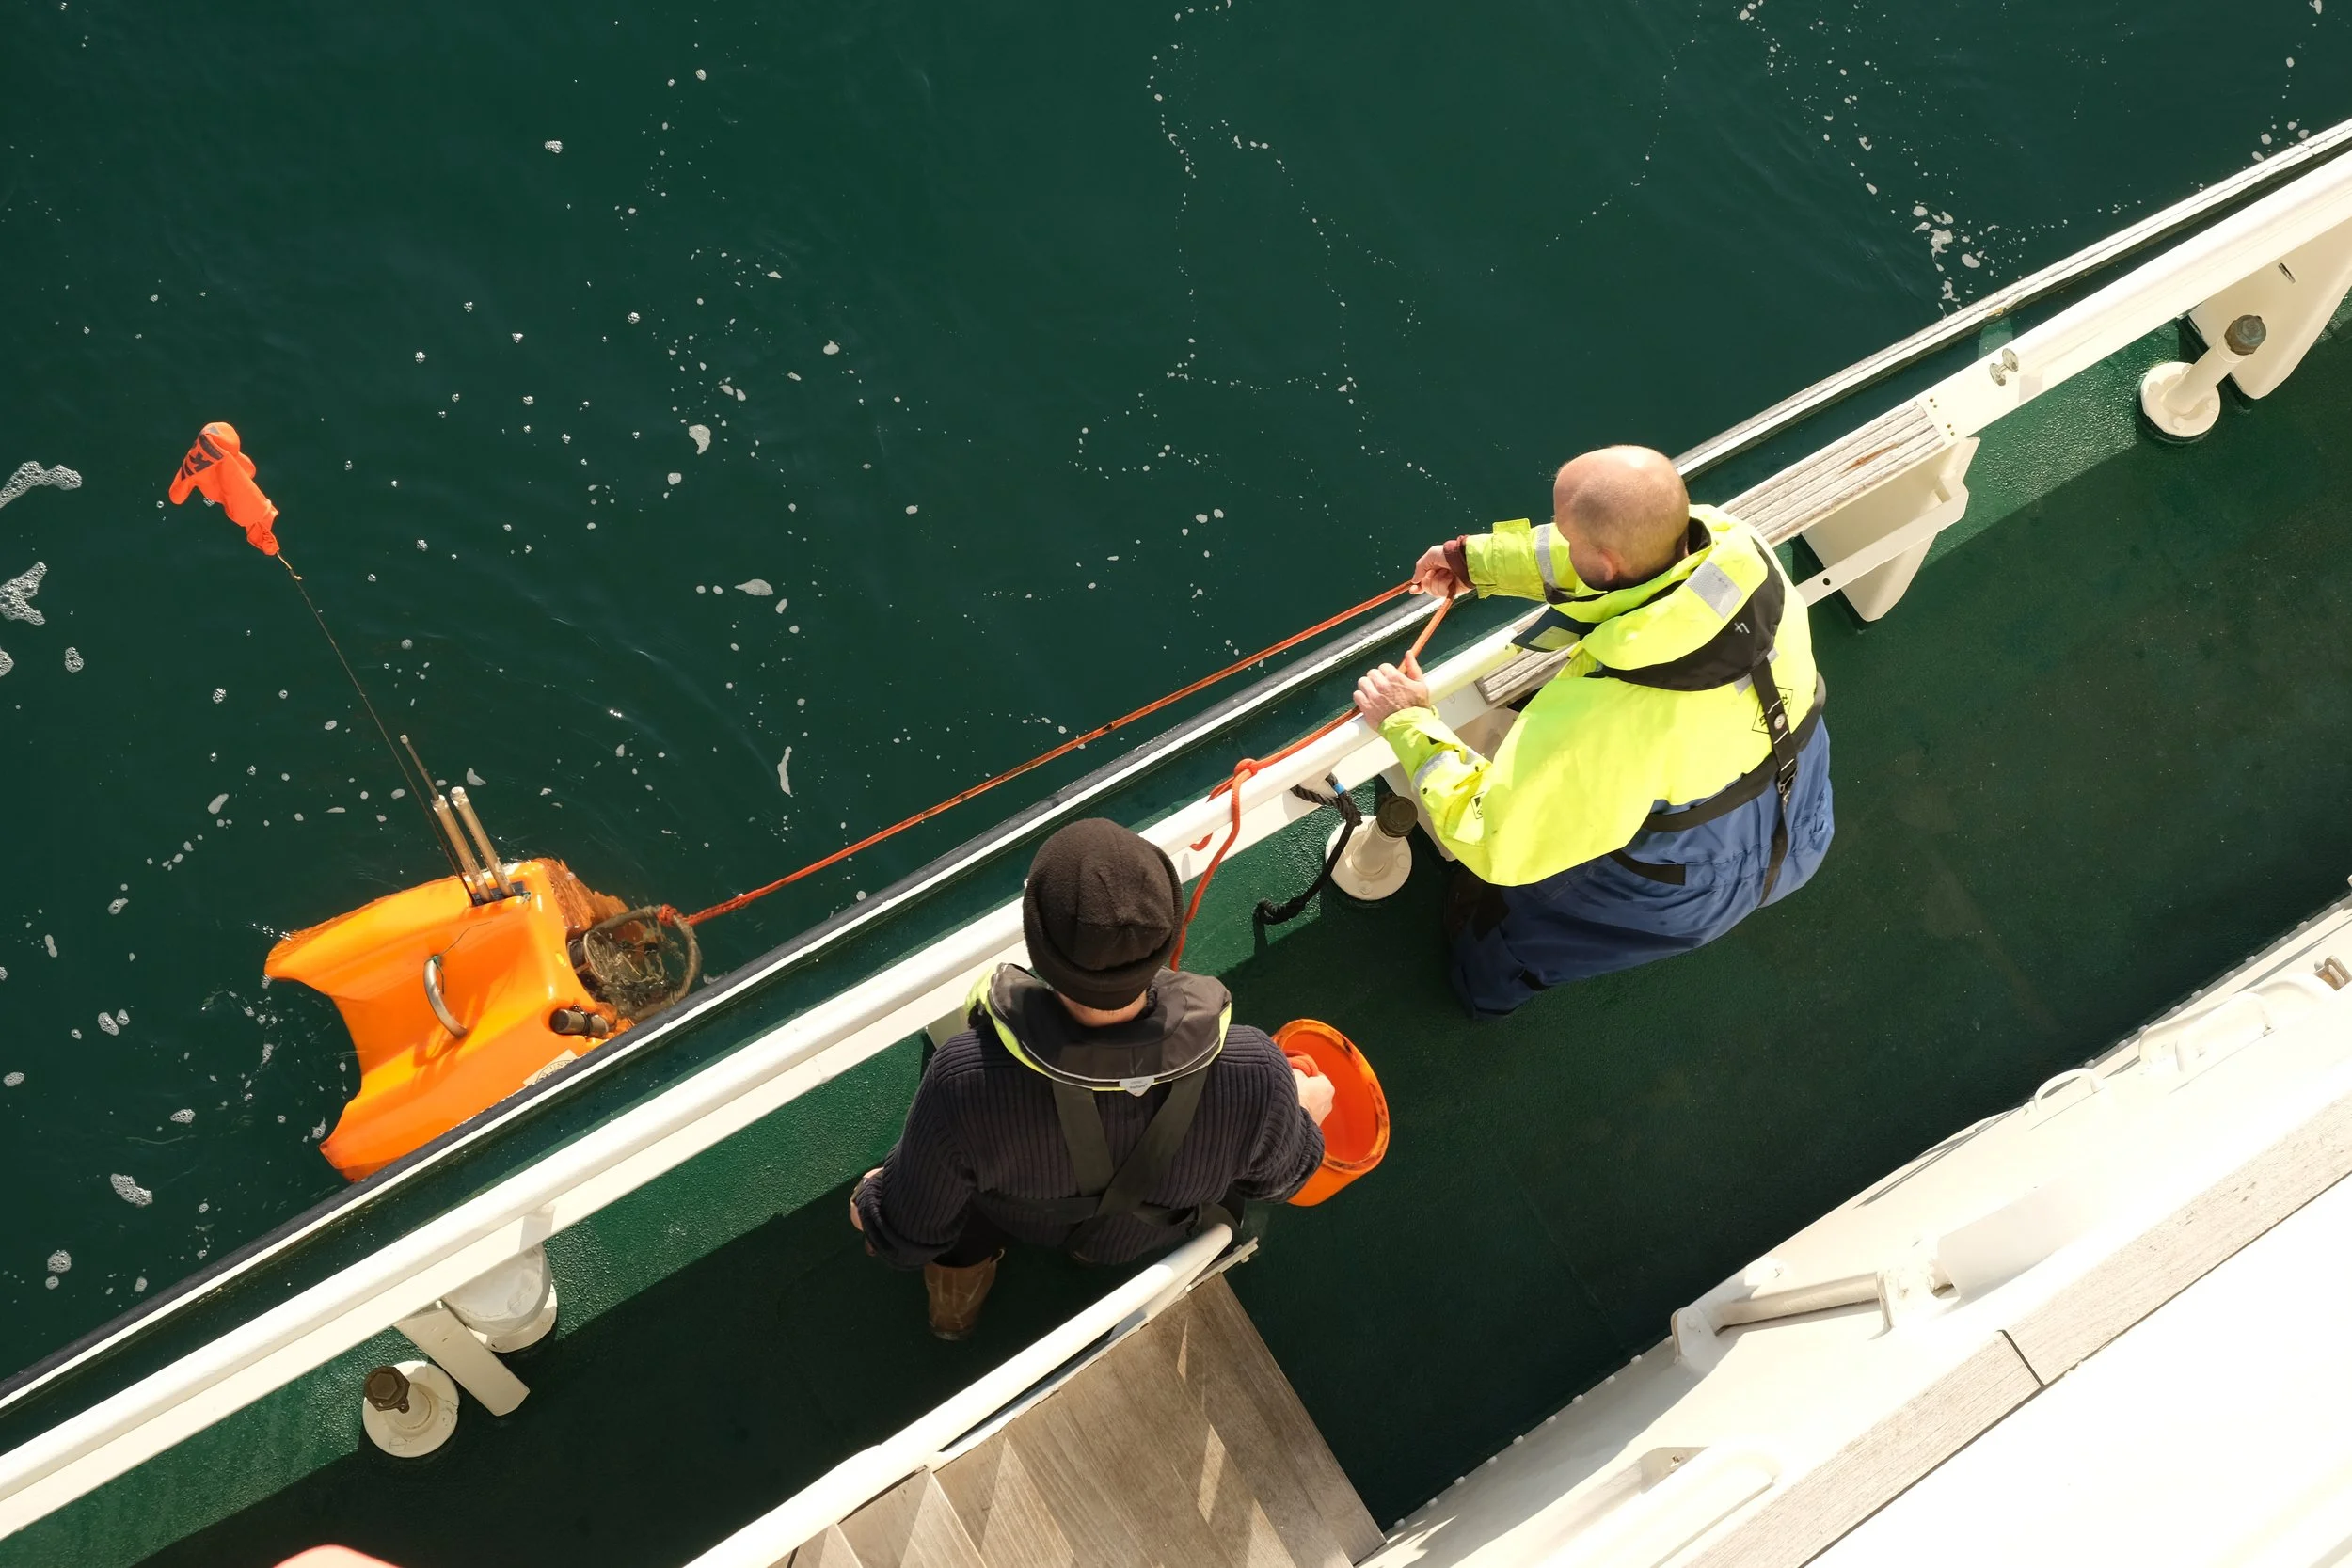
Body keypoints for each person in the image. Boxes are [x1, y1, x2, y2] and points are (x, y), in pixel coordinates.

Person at [1353, 445, 1835, 1018]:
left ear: (1602, 564)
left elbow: (1495, 839)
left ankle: (1483, 986)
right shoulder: (1736, 547)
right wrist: (1474, 561)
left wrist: (1409, 721)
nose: (1557, 539)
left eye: (1565, 533)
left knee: (1513, 924)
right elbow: (1604, 554)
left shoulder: (1608, 715)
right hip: (1802, 808)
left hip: (1691, 882)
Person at [851, 817, 1333, 1339]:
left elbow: (903, 1235)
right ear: (1168, 932)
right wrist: (1300, 1108)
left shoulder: (964, 1083)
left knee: (959, 1223)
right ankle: (1087, 1256)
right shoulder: (1257, 1073)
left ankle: (954, 1309)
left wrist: (868, 1198)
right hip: (1130, 1242)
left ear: (1037, 947)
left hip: (1016, 1218)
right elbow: (1285, 1177)